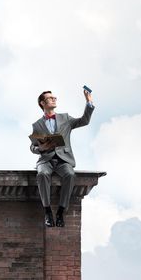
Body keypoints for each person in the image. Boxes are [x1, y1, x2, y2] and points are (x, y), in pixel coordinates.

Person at [30, 89, 94, 227]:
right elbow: (32, 147)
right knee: (42, 174)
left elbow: (84, 121)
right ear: (42, 103)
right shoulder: (37, 125)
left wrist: (89, 103)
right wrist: (40, 148)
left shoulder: (65, 118)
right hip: (45, 159)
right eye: (50, 98)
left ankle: (60, 211)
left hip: (63, 159)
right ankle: (47, 211)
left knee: (70, 175)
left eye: (54, 97)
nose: (54, 99)